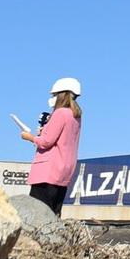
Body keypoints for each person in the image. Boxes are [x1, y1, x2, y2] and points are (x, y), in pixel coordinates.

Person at [22, 77, 82, 214]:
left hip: (47, 172)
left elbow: (46, 142)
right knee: (54, 214)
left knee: (38, 214)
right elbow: (63, 138)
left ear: (62, 94)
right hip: (63, 173)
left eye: (54, 94)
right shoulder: (76, 116)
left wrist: (29, 137)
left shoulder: (60, 113)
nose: (53, 97)